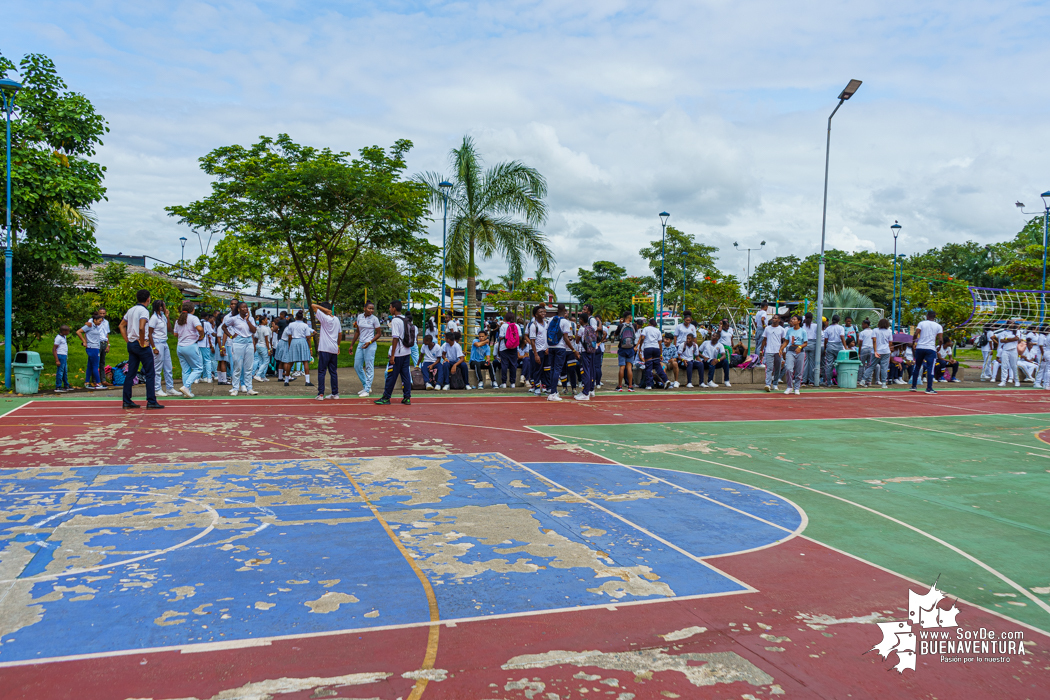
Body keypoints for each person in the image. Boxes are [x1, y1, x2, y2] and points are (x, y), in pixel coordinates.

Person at [119, 289, 164, 410]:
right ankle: (151, 401)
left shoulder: (131, 310)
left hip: (132, 344)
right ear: (148, 299)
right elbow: (141, 326)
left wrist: (127, 340)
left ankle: (126, 401)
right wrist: (143, 340)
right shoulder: (144, 311)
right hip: (140, 344)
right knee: (150, 373)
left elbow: (121, 325)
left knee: (131, 373)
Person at [374, 299, 414, 405]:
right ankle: (407, 397)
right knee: (405, 376)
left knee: (391, 375)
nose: (389, 309)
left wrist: (392, 355)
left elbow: (395, 338)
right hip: (406, 351)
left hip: (398, 353)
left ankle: (386, 397)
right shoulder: (405, 319)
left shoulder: (395, 321)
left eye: (390, 307)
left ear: (394, 308)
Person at [224, 301, 259, 396]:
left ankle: (249, 388)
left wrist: (247, 321)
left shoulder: (250, 319)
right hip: (238, 342)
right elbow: (224, 327)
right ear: (239, 309)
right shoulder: (234, 319)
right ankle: (235, 388)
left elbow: (254, 330)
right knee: (237, 366)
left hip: (249, 342)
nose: (245, 309)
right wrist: (231, 336)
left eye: (246, 307)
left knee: (248, 367)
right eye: (243, 308)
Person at [350, 302, 382, 397]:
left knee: (369, 367)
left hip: (370, 344)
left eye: (372, 309)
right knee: (357, 365)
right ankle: (366, 386)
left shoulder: (374, 319)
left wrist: (370, 342)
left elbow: (378, 333)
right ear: (364, 308)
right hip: (361, 343)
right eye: (369, 308)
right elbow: (357, 331)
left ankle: (367, 389)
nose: (371, 310)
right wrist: (352, 345)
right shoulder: (359, 317)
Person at [311, 300, 342, 400]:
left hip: (324, 348)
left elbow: (313, 305)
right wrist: (338, 345)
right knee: (333, 372)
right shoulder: (336, 319)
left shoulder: (324, 317)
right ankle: (335, 393)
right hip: (333, 348)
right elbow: (340, 334)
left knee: (321, 371)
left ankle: (321, 394)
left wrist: (323, 310)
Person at [174, 301, 205, 397]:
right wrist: (201, 335)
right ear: (192, 310)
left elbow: (175, 334)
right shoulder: (193, 318)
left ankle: (187, 391)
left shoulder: (178, 320)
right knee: (198, 368)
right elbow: (200, 328)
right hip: (191, 346)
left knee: (185, 370)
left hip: (180, 347)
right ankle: (186, 387)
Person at [544, 304, 575, 401]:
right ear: (565, 310)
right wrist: (573, 349)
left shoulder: (551, 319)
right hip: (560, 347)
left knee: (553, 369)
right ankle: (553, 393)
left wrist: (547, 346)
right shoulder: (565, 322)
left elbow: (547, 333)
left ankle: (552, 391)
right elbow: (566, 337)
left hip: (551, 346)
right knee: (557, 369)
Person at [911, 310, 944, 394]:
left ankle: (913, 386)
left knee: (917, 366)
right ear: (934, 317)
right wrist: (939, 346)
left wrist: (914, 342)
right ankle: (929, 388)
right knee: (930, 368)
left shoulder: (921, 323)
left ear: (927, 316)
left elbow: (916, 333)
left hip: (920, 347)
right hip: (930, 348)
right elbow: (940, 339)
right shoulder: (938, 326)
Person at [148, 300, 175, 398]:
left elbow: (169, 329)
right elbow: (149, 333)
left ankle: (170, 388)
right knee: (157, 367)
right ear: (159, 307)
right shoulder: (154, 318)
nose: (165, 307)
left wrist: (167, 316)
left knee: (168, 366)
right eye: (163, 306)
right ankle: (157, 389)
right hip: (157, 342)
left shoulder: (163, 316)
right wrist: (154, 347)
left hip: (164, 342)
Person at [280, 311, 314, 388]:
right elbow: (308, 337)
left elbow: (289, 336)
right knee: (305, 361)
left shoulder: (291, 325)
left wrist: (289, 346)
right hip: (302, 341)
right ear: (302, 317)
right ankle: (307, 381)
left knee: (290, 361)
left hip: (294, 341)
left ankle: (286, 380)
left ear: (295, 317)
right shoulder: (305, 325)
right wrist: (310, 348)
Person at [77, 313, 106, 390]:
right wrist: (84, 342)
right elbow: (79, 332)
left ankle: (87, 382)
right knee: (95, 366)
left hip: (95, 347)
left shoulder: (96, 327)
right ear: (95, 320)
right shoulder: (89, 326)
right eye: (99, 321)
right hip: (92, 347)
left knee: (90, 366)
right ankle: (98, 383)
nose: (100, 323)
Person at [525, 305, 549, 395]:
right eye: (540, 312)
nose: (543, 313)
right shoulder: (533, 325)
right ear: (536, 314)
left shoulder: (546, 323)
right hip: (537, 350)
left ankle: (546, 386)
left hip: (545, 350)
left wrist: (548, 348)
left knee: (546, 370)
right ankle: (537, 387)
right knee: (537, 369)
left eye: (543, 312)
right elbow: (532, 340)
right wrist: (535, 354)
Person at [576, 310, 600, 400]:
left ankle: (585, 393)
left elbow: (577, 341)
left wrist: (578, 330)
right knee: (590, 371)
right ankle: (590, 390)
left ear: (581, 320)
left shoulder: (582, 329)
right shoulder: (591, 328)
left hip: (584, 352)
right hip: (592, 351)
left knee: (585, 372)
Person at [783, 314, 807, 395]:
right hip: (790, 350)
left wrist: (800, 347)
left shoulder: (803, 331)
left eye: (794, 319)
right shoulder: (789, 330)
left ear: (799, 321)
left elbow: (805, 343)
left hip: (800, 352)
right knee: (788, 369)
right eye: (792, 319)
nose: (792, 321)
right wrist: (780, 349)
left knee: (799, 370)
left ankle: (797, 387)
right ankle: (789, 386)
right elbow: (786, 341)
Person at [637, 318, 665, 390]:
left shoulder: (646, 329)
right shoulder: (658, 330)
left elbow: (642, 338)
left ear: (649, 323)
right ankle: (666, 380)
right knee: (657, 366)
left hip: (648, 348)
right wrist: (661, 354)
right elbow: (660, 343)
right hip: (656, 348)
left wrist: (640, 347)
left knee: (648, 366)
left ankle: (649, 384)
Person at [761, 314, 786, 392]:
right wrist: (761, 350)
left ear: (779, 320)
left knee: (777, 368)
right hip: (769, 351)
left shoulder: (782, 329)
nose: (774, 319)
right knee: (769, 368)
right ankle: (768, 384)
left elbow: (784, 341)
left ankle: (775, 384)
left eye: (776, 318)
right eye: (773, 318)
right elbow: (764, 340)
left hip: (778, 351)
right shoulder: (767, 328)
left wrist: (782, 350)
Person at [866, 318, 893, 388]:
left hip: (877, 351)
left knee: (871, 366)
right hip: (886, 351)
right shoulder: (889, 331)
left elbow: (874, 341)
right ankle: (884, 383)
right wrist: (887, 348)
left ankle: (863, 380)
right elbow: (890, 342)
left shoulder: (875, 330)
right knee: (884, 368)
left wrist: (875, 351)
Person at [497, 312, 520, 388]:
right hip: (514, 348)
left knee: (504, 364)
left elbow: (500, 337)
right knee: (513, 364)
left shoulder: (504, 326)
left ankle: (504, 383)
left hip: (504, 347)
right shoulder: (517, 325)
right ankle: (512, 383)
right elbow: (519, 336)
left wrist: (506, 338)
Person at [822, 315, 846, 386]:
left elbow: (826, 340)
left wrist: (825, 348)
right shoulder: (841, 328)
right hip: (838, 346)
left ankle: (828, 382)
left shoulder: (828, 328)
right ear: (839, 320)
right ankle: (840, 381)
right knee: (839, 364)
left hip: (830, 345)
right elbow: (842, 337)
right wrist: (845, 347)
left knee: (829, 365)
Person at [615, 311, 636, 393]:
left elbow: (616, 335)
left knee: (622, 367)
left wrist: (621, 323)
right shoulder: (633, 325)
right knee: (629, 367)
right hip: (631, 348)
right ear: (630, 317)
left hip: (622, 348)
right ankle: (630, 386)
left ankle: (619, 386)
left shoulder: (621, 325)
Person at [997, 323, 1020, 388]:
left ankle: (1017, 381)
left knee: (1014, 366)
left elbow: (1016, 338)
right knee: (1004, 365)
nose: (1011, 324)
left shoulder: (1017, 331)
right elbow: (1001, 340)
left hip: (1013, 350)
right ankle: (1003, 381)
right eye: (1010, 323)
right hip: (1005, 350)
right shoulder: (1004, 332)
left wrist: (1006, 338)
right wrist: (1011, 339)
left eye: (1012, 323)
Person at [253, 315, 272, 382]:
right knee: (266, 361)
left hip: (258, 345)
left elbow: (256, 337)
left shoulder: (258, 328)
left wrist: (254, 345)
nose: (267, 321)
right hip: (264, 346)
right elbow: (267, 340)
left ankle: (262, 376)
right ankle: (258, 375)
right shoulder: (266, 329)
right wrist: (269, 349)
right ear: (263, 321)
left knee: (261, 361)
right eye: (266, 320)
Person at [802, 312, 820, 386]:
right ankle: (812, 380)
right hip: (813, 344)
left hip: (805, 343)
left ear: (805, 318)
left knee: (805, 363)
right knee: (812, 363)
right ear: (812, 318)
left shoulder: (803, 326)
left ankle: (804, 380)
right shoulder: (816, 326)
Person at [95, 308, 112, 386]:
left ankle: (103, 380)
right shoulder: (94, 321)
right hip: (96, 342)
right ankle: (95, 380)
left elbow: (106, 334)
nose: (102, 315)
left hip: (103, 342)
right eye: (100, 313)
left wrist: (108, 345)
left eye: (103, 313)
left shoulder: (106, 322)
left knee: (102, 362)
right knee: (95, 362)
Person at [198, 312, 215, 383]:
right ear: (206, 317)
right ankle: (209, 377)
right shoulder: (207, 324)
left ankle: (197, 378)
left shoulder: (197, 323)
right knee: (207, 361)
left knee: (199, 361)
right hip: (205, 344)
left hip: (197, 344)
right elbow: (212, 333)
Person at [53, 325, 71, 393]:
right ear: (63, 331)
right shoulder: (58, 338)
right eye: (67, 331)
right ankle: (58, 386)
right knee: (60, 372)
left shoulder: (64, 337)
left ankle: (66, 384)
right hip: (60, 355)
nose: (68, 332)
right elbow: (54, 349)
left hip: (64, 355)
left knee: (64, 371)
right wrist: (57, 360)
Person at [857, 319, 874, 387]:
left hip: (864, 349)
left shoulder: (862, 333)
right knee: (870, 365)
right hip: (871, 349)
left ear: (866, 325)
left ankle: (859, 379)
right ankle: (869, 380)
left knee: (861, 365)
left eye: (863, 324)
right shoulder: (873, 332)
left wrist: (859, 352)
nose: (862, 326)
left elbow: (860, 343)